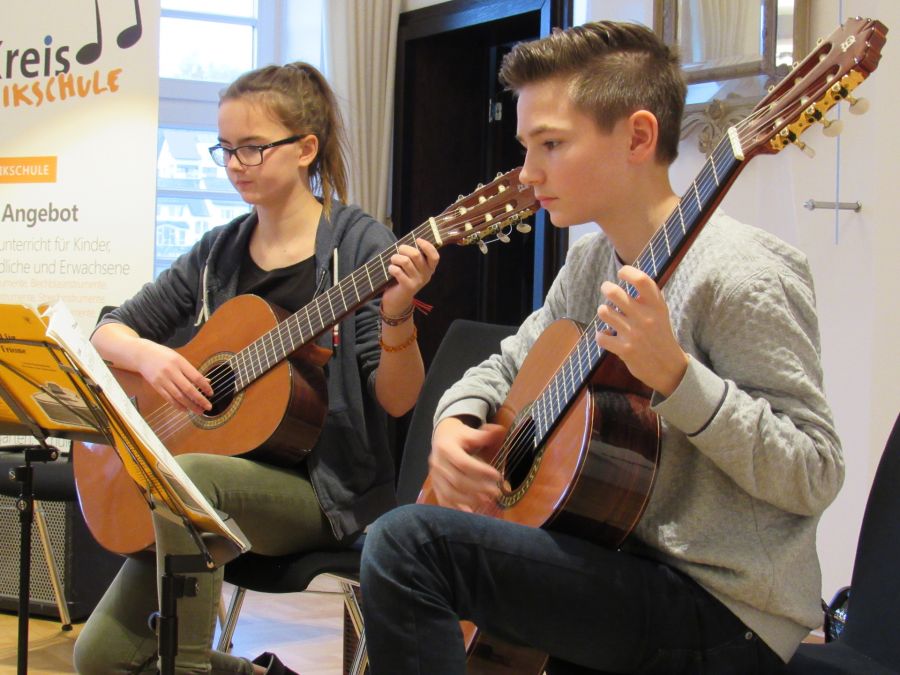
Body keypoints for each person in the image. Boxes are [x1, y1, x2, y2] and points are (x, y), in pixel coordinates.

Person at [360, 20, 844, 675]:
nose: (528, 174)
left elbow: (815, 471)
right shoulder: (589, 263)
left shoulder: (745, 273)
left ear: (638, 136)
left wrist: (677, 378)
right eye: (526, 146)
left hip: (723, 604)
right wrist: (454, 421)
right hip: (612, 560)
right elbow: (506, 366)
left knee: (405, 543)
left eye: (551, 144)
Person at [73, 62, 439, 675]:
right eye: (225, 148)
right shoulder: (219, 251)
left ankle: (182, 667)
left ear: (306, 149)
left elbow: (399, 401)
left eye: (253, 147)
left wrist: (399, 317)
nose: (236, 162)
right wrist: (152, 357)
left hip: (322, 494)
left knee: (192, 478)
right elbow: (108, 330)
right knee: (101, 655)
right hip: (198, 495)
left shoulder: (359, 247)